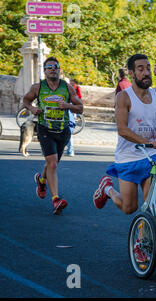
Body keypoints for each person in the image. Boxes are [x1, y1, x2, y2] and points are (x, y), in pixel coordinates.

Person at [93, 54, 156, 215]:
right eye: (140, 69)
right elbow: (122, 130)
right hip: (127, 157)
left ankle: (142, 238)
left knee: (151, 204)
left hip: (150, 157)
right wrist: (149, 141)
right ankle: (108, 189)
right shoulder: (124, 97)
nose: (146, 72)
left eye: (147, 68)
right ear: (131, 73)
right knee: (129, 208)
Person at [22, 57, 83, 215]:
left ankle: (42, 181)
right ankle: (56, 199)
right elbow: (26, 100)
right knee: (53, 163)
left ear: (59, 69)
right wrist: (32, 109)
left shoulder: (67, 87)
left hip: (63, 130)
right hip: (45, 129)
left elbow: (80, 108)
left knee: (52, 163)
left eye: (55, 67)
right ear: (44, 71)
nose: (52, 70)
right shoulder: (38, 87)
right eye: (49, 67)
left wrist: (68, 105)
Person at [66, 78, 83, 157]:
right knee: (68, 133)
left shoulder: (73, 90)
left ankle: (70, 150)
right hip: (68, 115)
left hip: (67, 115)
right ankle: (70, 150)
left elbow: (79, 104)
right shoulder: (70, 90)